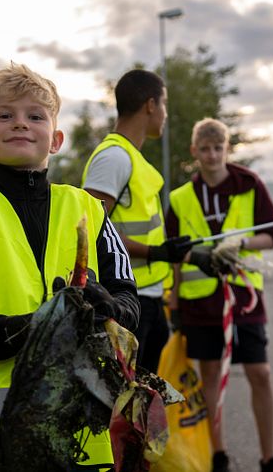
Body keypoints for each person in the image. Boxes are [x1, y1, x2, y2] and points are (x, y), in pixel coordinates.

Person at [0, 63, 140, 472]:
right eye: (5, 115)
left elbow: (129, 301)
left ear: (55, 139)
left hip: (81, 438)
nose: (20, 124)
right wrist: (47, 324)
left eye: (35, 116)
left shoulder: (89, 209)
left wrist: (105, 308)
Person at [166, 118, 273, 472]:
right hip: (200, 300)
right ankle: (217, 454)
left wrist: (242, 243)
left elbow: (272, 234)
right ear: (194, 152)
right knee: (209, 377)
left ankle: (269, 458)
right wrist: (174, 295)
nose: (211, 155)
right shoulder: (180, 198)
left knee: (260, 372)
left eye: (217, 148)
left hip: (243, 296)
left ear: (227, 148)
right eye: (204, 149)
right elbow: (175, 254)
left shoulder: (249, 184)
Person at [81, 69, 193, 374]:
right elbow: (88, 232)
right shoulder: (115, 158)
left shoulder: (132, 157)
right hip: (127, 302)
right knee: (126, 409)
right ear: (150, 105)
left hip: (150, 298)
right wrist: (155, 253)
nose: (166, 113)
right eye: (165, 104)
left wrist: (172, 252)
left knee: (143, 406)